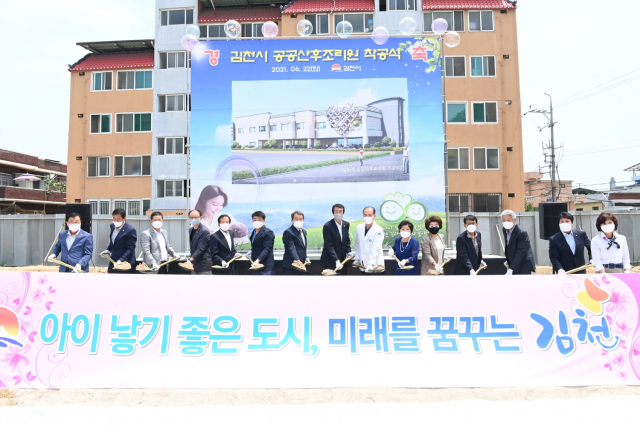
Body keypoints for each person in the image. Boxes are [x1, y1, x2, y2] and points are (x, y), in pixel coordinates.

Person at [101, 208, 137, 273]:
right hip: (113, 260)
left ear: (124, 218)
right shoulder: (112, 226)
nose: (116, 221)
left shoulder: (130, 230)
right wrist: (108, 250)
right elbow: (113, 240)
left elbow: (130, 248)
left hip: (126, 263)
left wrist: (121, 260)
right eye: (114, 218)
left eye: (118, 219)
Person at [501, 210, 536, 275]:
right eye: (504, 220)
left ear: (514, 220)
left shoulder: (521, 233)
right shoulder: (504, 229)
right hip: (514, 261)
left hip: (524, 263)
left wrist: (511, 268)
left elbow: (520, 252)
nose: (506, 222)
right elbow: (508, 245)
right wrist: (509, 259)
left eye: (508, 220)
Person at [320, 203, 351, 275]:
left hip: (343, 260)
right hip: (330, 260)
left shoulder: (346, 224)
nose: (338, 213)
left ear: (343, 213)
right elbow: (329, 245)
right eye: (336, 211)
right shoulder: (328, 226)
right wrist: (336, 260)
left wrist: (349, 251)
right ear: (333, 213)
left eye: (340, 211)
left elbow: (347, 239)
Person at [354, 206, 384, 274]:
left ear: (374, 216)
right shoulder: (359, 228)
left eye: (370, 215)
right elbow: (357, 245)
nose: (367, 217)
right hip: (363, 264)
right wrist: (357, 259)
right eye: (365, 215)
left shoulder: (378, 229)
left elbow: (375, 247)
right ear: (363, 216)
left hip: (375, 265)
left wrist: (371, 263)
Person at [247, 211, 276, 275]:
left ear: (264, 221)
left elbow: (267, 249)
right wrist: (251, 251)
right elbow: (256, 245)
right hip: (255, 266)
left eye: (259, 220)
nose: (257, 222)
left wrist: (258, 260)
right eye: (255, 220)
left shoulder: (268, 233)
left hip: (266, 267)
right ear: (252, 221)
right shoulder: (254, 231)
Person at [282, 210, 309, 275]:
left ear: (303, 220)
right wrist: (297, 261)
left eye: (301, 219)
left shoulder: (304, 232)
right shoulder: (288, 232)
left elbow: (302, 247)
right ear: (292, 220)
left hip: (301, 265)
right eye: (296, 219)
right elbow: (291, 248)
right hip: (291, 266)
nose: (298, 221)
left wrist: (306, 257)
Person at [188, 209, 213, 275]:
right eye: (191, 217)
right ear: (189, 218)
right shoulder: (191, 230)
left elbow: (201, 248)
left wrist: (191, 259)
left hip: (203, 265)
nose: (193, 219)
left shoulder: (204, 231)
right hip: (194, 265)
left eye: (196, 217)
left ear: (201, 218)